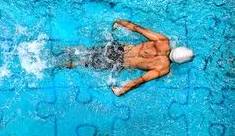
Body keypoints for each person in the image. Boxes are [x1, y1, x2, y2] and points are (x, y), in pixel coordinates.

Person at [61, 19, 194, 96]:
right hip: (117, 63)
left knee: (83, 51)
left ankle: (60, 49)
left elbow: (138, 29)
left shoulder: (163, 40)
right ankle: (59, 65)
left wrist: (120, 22)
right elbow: (140, 80)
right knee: (80, 64)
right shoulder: (163, 68)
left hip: (115, 49)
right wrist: (121, 91)